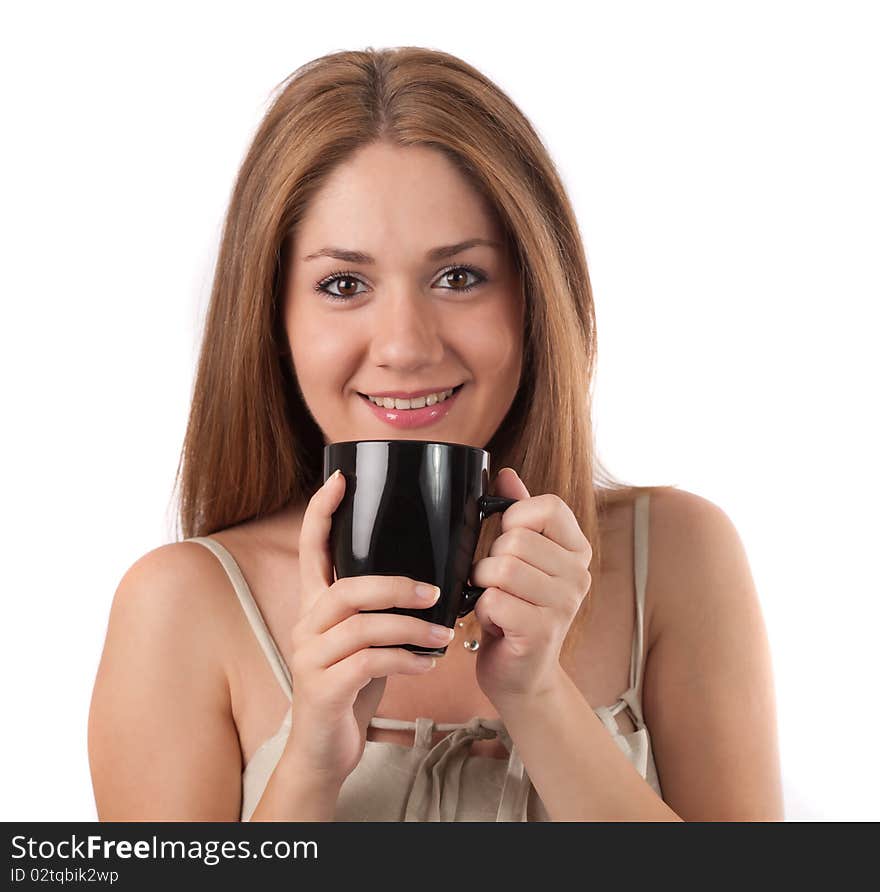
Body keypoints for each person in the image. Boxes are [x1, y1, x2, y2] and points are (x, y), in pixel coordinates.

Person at [87, 46, 784, 822]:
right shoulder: (181, 606)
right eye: (343, 284)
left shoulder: (679, 556)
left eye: (459, 277)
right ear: (273, 320)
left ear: (534, 298)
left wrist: (539, 697)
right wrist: (313, 754)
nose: (405, 345)